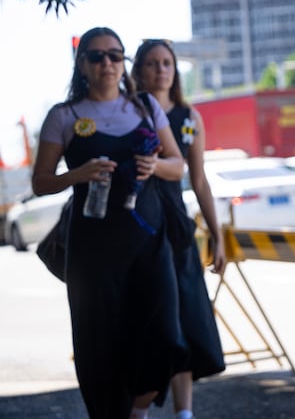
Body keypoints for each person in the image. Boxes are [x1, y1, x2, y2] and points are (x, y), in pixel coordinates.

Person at [32, 27, 189, 419]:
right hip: (92, 252)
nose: (107, 63)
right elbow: (40, 182)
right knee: (98, 347)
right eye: (97, 56)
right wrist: (77, 174)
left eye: (115, 56)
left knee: (163, 334)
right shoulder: (64, 116)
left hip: (149, 245)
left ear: (124, 64)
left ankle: (138, 410)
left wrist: (156, 165)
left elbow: (178, 165)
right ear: (82, 64)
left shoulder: (146, 107)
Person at [132, 38, 226, 419]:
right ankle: (138, 409)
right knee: (154, 322)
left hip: (176, 225)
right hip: (138, 223)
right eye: (152, 63)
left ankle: (183, 412)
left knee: (187, 318)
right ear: (139, 69)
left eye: (167, 62)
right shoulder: (129, 110)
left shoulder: (190, 116)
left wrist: (218, 236)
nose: (161, 69)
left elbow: (199, 180)